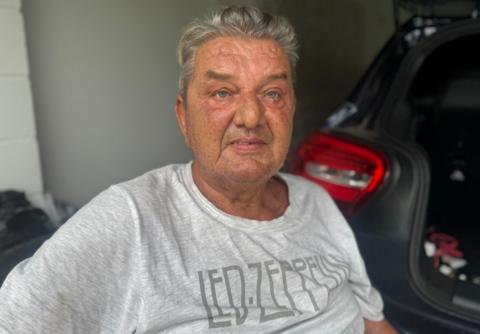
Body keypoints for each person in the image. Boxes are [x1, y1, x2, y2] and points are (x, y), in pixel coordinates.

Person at [0, 6, 397, 334]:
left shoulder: (317, 200)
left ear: (291, 110)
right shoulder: (130, 220)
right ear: (184, 117)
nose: (251, 115)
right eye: (222, 92)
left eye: (272, 93)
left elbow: (373, 322)